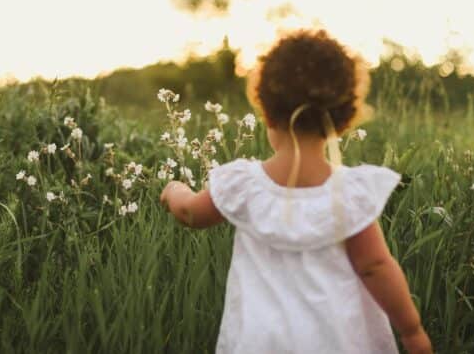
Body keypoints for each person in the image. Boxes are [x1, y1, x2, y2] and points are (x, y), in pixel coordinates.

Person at [160, 29, 433, 354]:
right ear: (343, 118)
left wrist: (173, 190)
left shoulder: (244, 185)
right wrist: (412, 331)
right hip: (335, 342)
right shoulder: (347, 194)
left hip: (260, 343)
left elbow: (191, 213)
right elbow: (375, 266)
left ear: (266, 109)